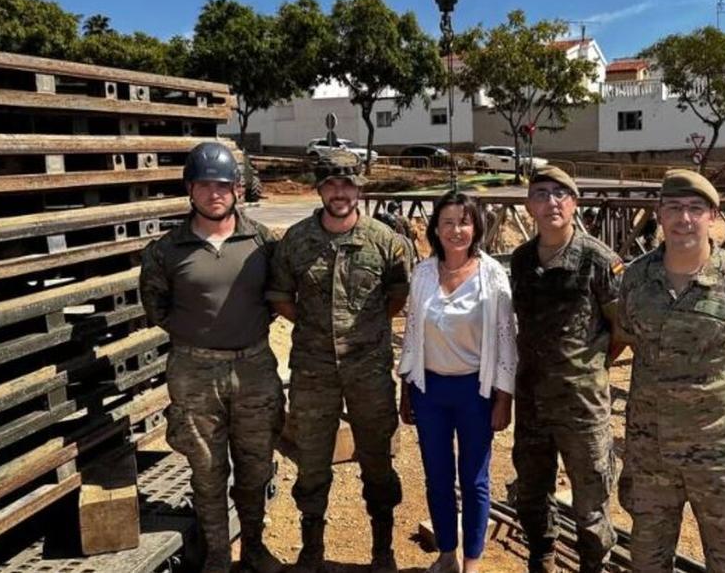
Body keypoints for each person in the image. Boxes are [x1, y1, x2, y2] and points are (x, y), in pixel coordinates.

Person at [617, 169, 725, 573]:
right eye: (674, 208)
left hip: (723, 458)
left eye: (695, 208)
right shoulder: (637, 279)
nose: (684, 219)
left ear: (713, 216)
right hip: (651, 455)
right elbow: (627, 337)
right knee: (646, 561)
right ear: (658, 214)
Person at [139, 141, 285, 573]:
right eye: (204, 184)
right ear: (190, 189)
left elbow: (277, 295)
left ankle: (254, 547)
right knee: (207, 470)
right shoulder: (165, 251)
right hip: (194, 372)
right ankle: (218, 557)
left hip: (255, 367)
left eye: (222, 184)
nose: (214, 193)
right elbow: (157, 308)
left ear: (237, 189)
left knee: (256, 465)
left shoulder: (262, 242)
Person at [266, 152, 411, 573]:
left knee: (377, 457)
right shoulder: (295, 240)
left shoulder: (385, 240)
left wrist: (363, 330)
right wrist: (315, 326)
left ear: (359, 189)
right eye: (331, 184)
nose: (340, 192)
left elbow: (397, 296)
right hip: (313, 371)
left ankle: (382, 549)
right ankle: (312, 549)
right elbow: (279, 296)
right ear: (320, 188)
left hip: (369, 369)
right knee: (311, 461)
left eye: (347, 184)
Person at [510, 167, 628, 573]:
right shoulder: (522, 261)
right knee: (531, 492)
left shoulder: (599, 260)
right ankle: (541, 558)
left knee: (591, 502)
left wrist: (587, 365)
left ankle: (593, 566)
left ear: (574, 204)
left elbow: (621, 329)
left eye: (562, 194)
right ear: (530, 206)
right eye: (541, 194)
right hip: (531, 405)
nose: (552, 202)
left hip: (583, 407)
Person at [397, 191, 518, 573]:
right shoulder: (424, 273)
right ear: (435, 228)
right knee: (437, 475)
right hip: (429, 390)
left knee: (474, 478)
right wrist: (406, 388)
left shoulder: (492, 276)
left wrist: (503, 397)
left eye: (464, 222)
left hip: (475, 392)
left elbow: (505, 339)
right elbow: (412, 332)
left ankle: (473, 560)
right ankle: (447, 552)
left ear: (476, 226)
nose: (456, 230)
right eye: (447, 222)